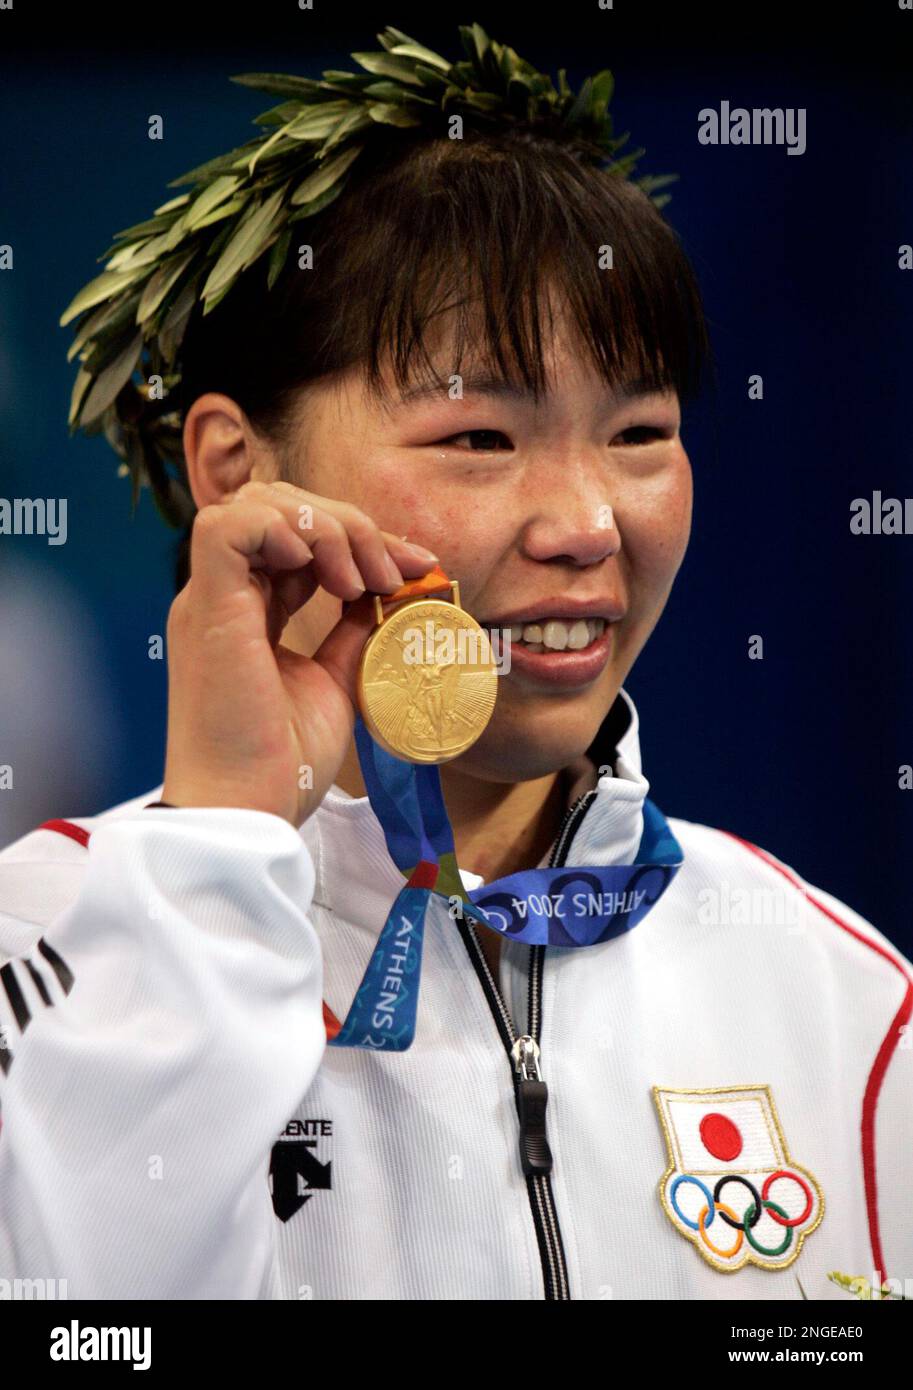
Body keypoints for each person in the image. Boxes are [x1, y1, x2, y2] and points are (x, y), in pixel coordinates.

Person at [0, 23, 910, 1302]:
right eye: (480, 435)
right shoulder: (35, 945)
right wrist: (215, 863)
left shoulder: (843, 1000)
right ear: (235, 470)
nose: (588, 523)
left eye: (640, 430)